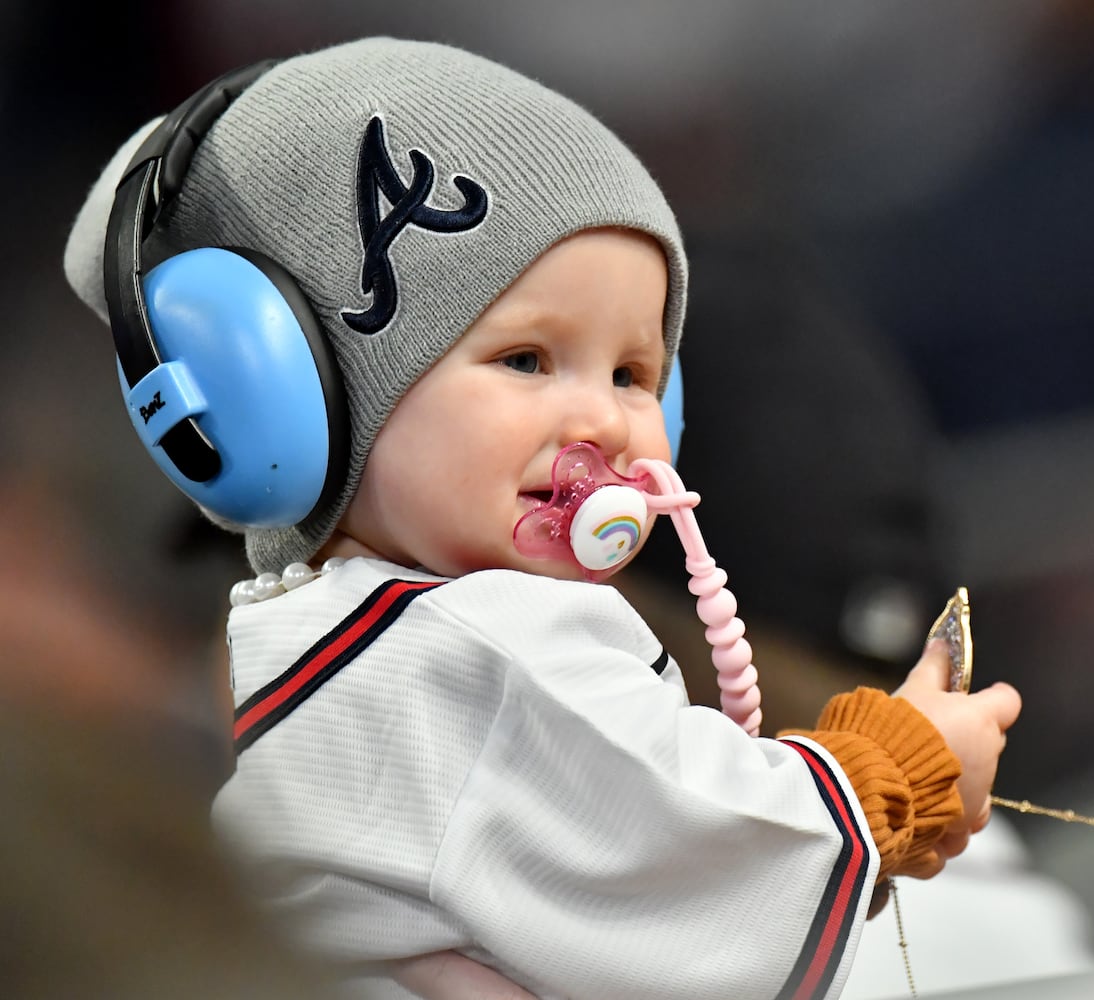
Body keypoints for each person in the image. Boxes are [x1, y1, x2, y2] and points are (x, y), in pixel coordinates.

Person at [63, 37, 1021, 1000]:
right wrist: (901, 768)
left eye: (634, 375)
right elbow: (694, 859)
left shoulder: (336, 634)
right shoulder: (479, 643)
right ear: (283, 396)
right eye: (525, 359)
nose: (602, 420)